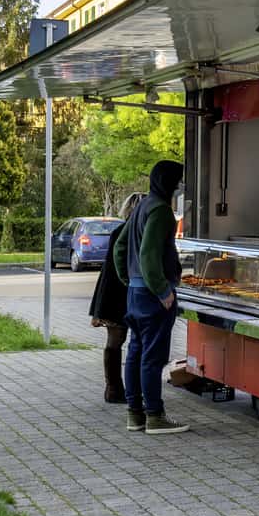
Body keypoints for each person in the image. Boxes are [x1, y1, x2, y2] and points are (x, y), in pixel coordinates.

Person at [113, 160, 189, 435]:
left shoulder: (142, 206)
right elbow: (148, 255)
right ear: (171, 183)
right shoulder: (161, 212)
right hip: (152, 294)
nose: (182, 186)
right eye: (180, 181)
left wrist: (128, 279)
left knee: (135, 351)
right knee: (152, 357)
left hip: (135, 292)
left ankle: (135, 414)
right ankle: (155, 415)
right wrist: (163, 291)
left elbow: (121, 246)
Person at [88, 192, 144, 403]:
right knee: (139, 343)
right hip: (134, 292)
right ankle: (134, 388)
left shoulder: (118, 231)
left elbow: (109, 270)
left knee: (114, 342)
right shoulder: (143, 232)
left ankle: (113, 388)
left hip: (114, 294)